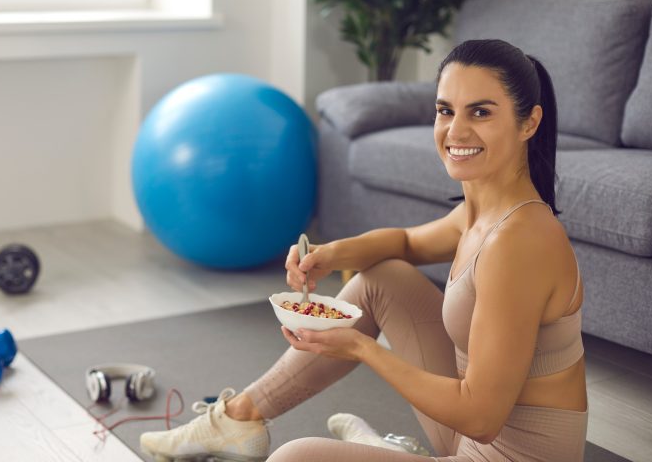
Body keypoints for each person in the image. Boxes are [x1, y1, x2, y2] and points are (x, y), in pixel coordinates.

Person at [139, 39, 588, 462]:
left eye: (481, 112)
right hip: (466, 440)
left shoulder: (519, 240)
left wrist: (362, 349)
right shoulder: (485, 211)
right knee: (381, 278)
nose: (456, 129)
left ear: (529, 122)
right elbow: (407, 243)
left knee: (293, 459)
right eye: (445, 110)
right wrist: (329, 254)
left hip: (498, 450)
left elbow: (481, 419)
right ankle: (239, 420)